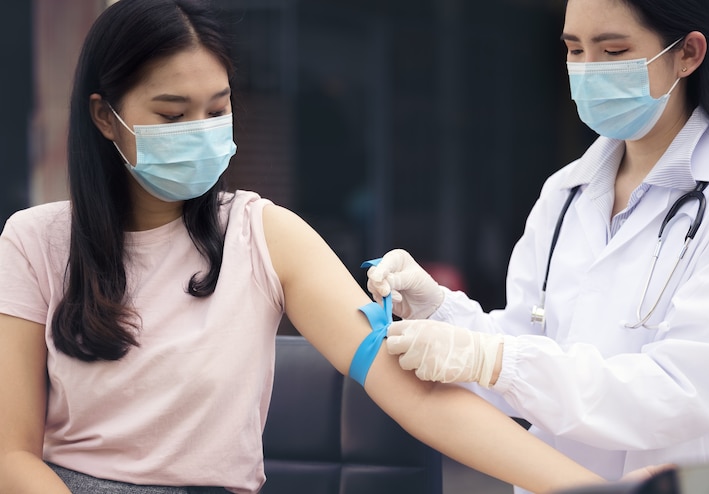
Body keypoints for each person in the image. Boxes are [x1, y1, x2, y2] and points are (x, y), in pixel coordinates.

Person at [0, 1, 619, 493]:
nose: (200, 132)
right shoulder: (35, 242)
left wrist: (585, 488)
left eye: (217, 110)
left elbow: (414, 397)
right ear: (106, 117)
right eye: (171, 115)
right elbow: (11, 455)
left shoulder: (263, 235)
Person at [366, 0, 709, 490]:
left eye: (613, 51)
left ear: (687, 53)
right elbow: (524, 350)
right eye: (574, 50)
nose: (587, 71)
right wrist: (437, 312)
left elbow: (683, 391)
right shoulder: (566, 193)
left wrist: (496, 360)